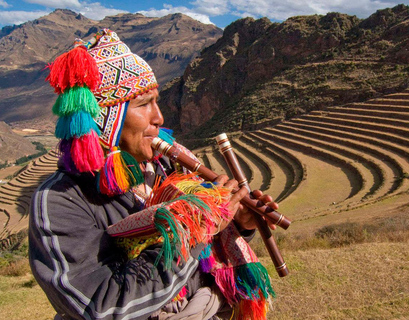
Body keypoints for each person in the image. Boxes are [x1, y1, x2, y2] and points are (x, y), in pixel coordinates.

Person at [29, 29, 278, 320]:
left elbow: (203, 260)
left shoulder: (168, 168)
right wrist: (197, 226)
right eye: (143, 104)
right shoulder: (60, 201)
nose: (159, 118)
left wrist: (238, 224)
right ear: (108, 120)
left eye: (157, 101)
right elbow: (100, 306)